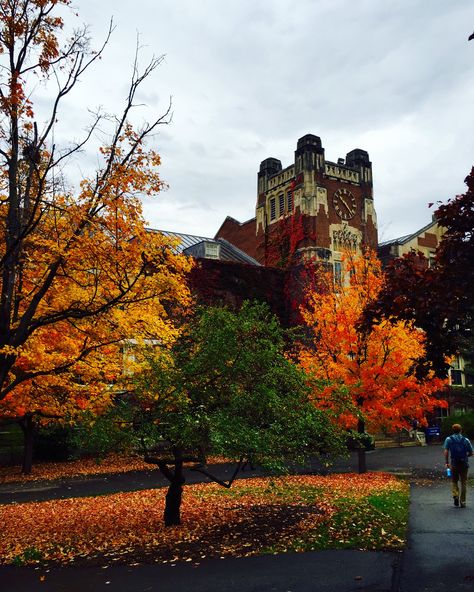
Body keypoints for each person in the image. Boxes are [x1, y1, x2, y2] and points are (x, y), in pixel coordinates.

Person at [444, 423, 473, 508]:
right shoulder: (466, 440)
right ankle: (463, 502)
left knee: (454, 481)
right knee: (463, 482)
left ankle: (455, 495)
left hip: (454, 463)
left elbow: (446, 452)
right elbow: (471, 452)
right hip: (464, 464)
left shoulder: (449, 439)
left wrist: (447, 462)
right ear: (461, 430)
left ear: (453, 430)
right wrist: (465, 456)